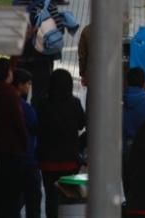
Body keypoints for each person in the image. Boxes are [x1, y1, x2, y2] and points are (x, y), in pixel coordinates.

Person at [34, 68, 85, 218]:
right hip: (69, 160)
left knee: (51, 197)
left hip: (48, 160)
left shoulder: (43, 104)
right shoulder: (74, 103)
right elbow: (82, 124)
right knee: (68, 197)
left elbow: (38, 126)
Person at [0, 58, 28, 218]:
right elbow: (19, 122)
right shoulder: (10, 94)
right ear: (7, 74)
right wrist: (25, 143)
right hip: (12, 149)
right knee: (12, 192)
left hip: (0, 147)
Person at [13, 69, 42, 218]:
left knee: (17, 198)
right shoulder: (23, 105)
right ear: (20, 85)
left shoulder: (12, 101)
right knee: (33, 197)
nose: (30, 87)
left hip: (17, 156)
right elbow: (35, 123)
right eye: (28, 84)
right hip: (28, 157)